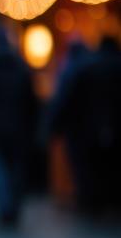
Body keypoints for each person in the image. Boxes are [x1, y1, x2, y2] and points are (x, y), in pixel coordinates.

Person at [0, 31, 38, 226]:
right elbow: (31, 101)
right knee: (15, 168)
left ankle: (5, 206)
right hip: (18, 128)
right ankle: (14, 205)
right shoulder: (21, 67)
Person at [52, 36, 121, 213]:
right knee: (109, 166)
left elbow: (67, 99)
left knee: (90, 167)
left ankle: (92, 202)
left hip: (85, 128)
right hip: (111, 125)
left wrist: (54, 124)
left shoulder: (85, 68)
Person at [45, 42, 91, 207]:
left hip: (76, 127)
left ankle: (86, 198)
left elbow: (62, 101)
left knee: (80, 164)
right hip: (92, 126)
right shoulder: (87, 67)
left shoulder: (71, 71)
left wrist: (52, 125)